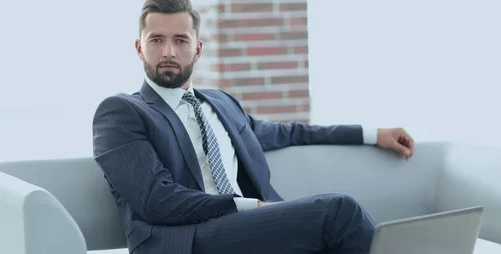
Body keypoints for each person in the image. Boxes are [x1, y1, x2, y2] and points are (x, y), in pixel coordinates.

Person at [92, 0, 415, 253]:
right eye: (156, 40)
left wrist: (372, 135)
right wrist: (246, 205)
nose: (168, 51)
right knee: (339, 212)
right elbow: (156, 200)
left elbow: (290, 133)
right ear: (139, 48)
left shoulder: (220, 104)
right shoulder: (121, 112)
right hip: (185, 240)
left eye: (180, 40)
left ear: (198, 49)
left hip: (244, 230)